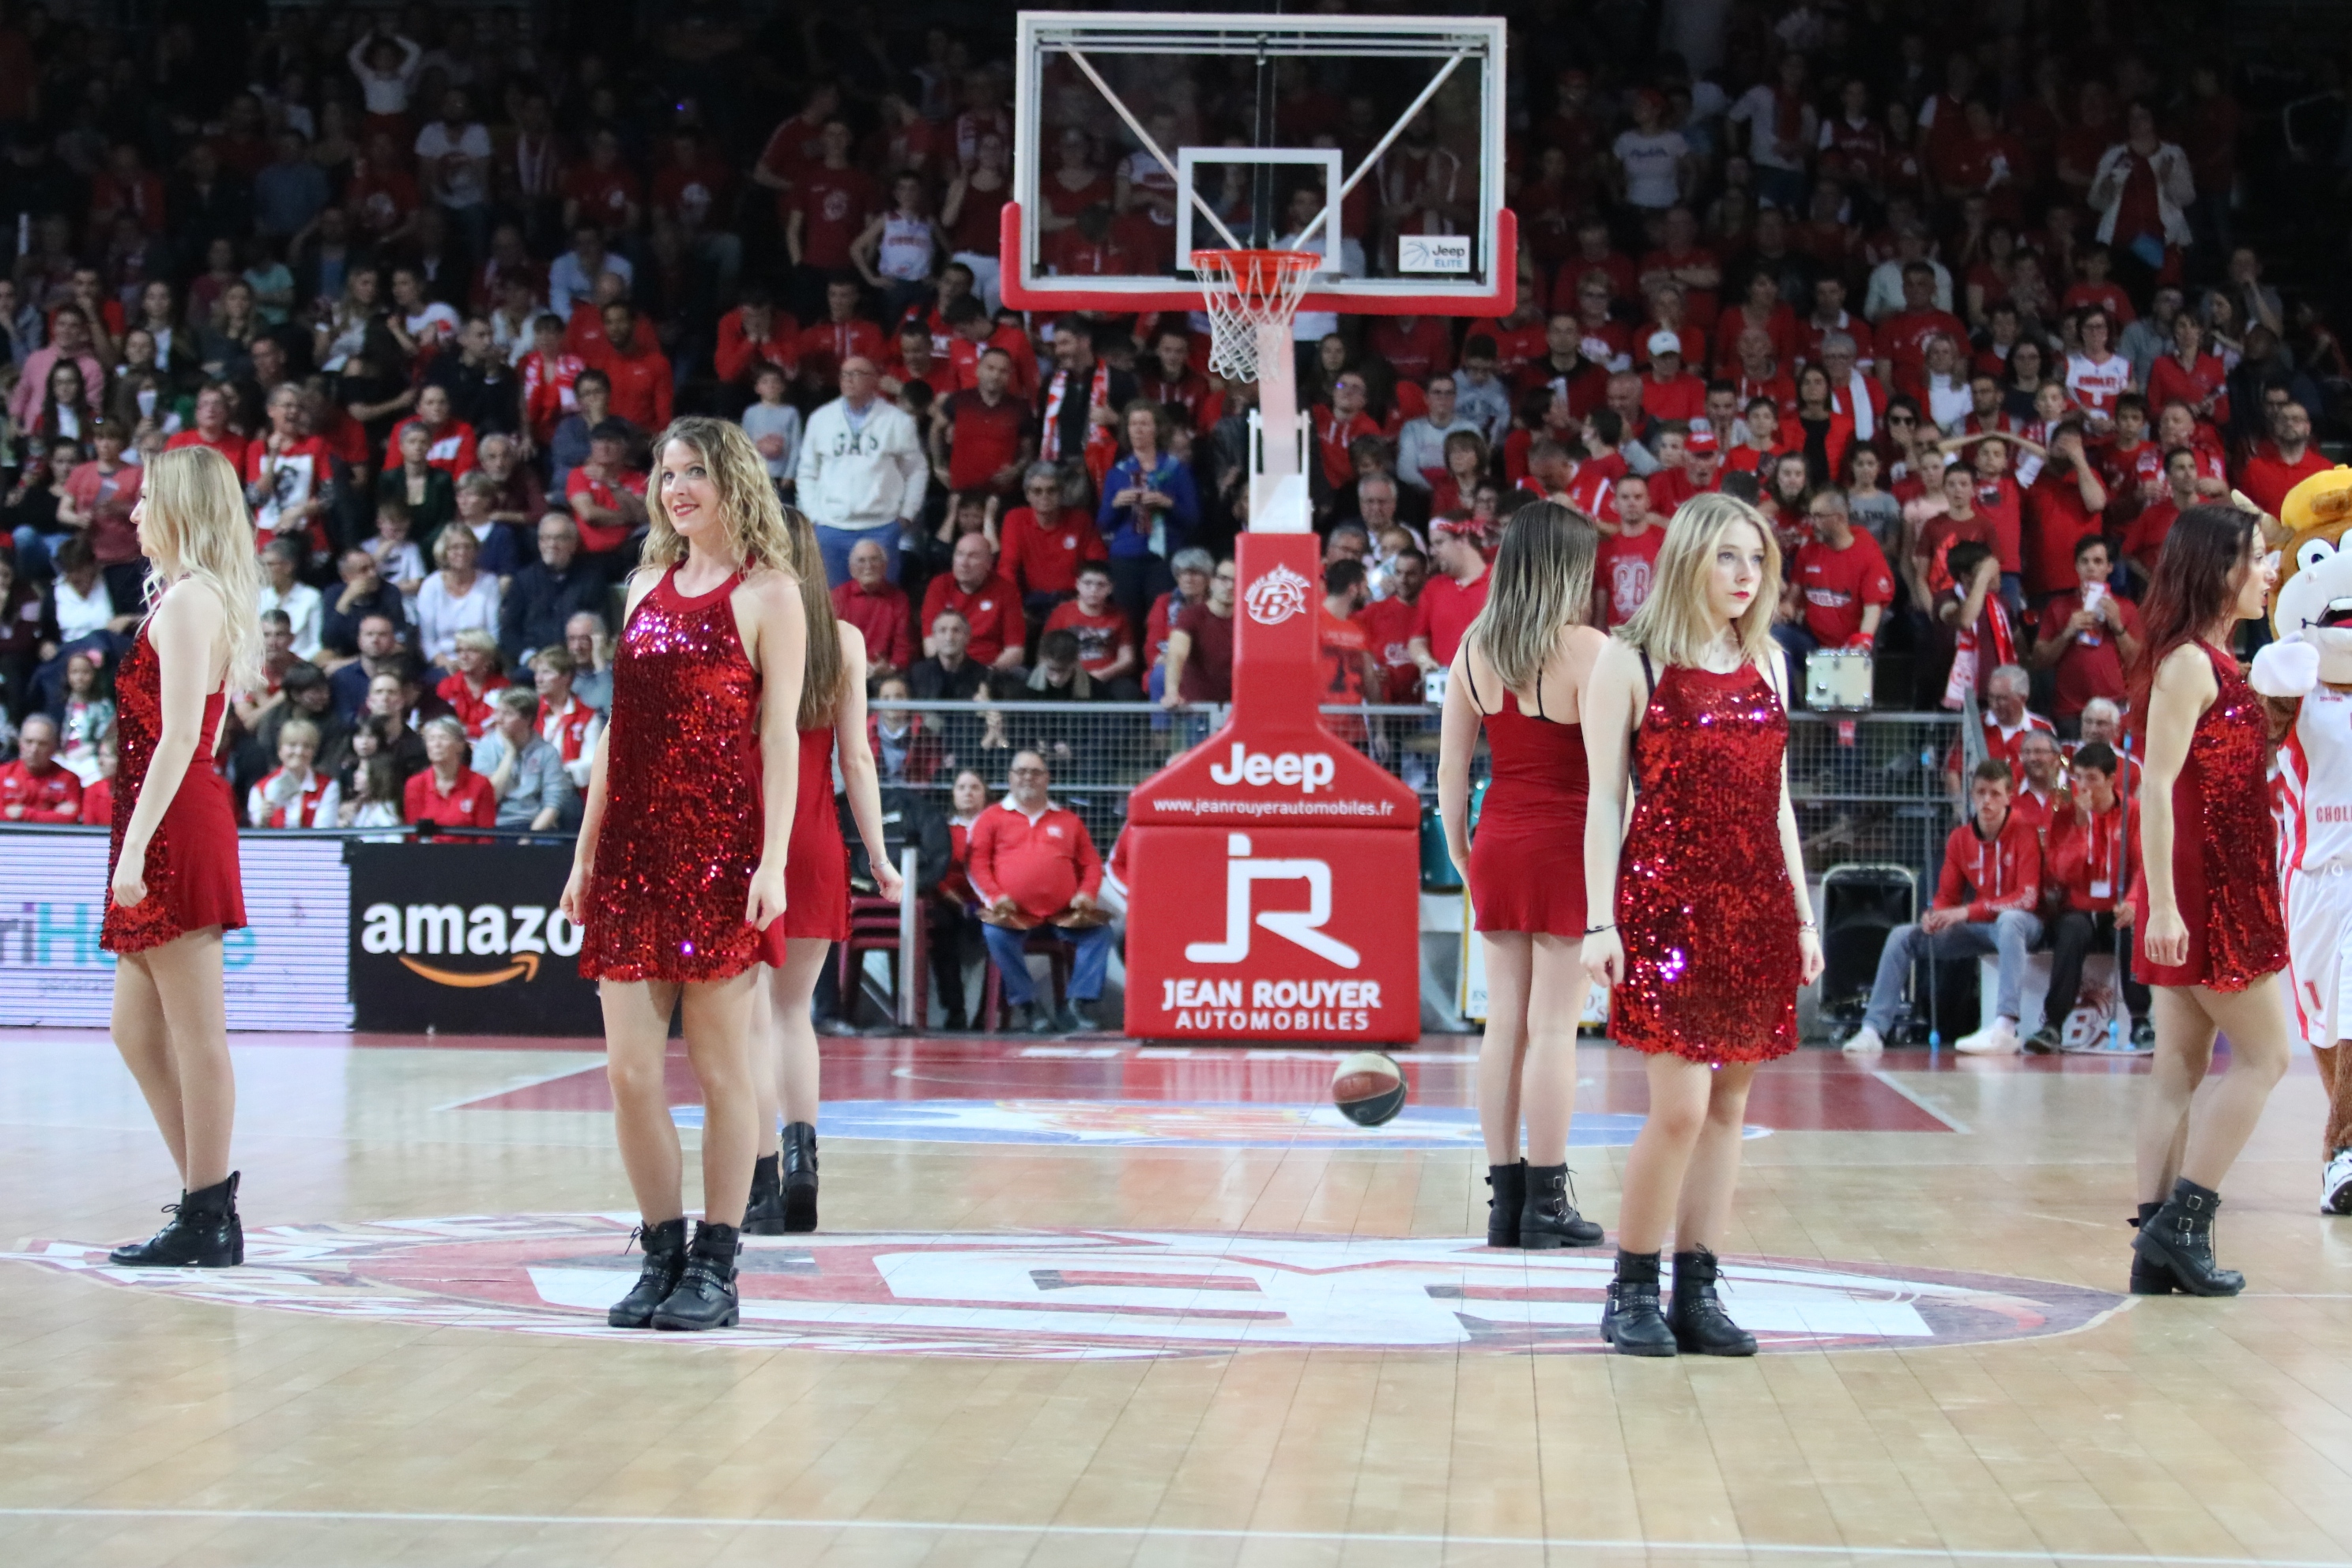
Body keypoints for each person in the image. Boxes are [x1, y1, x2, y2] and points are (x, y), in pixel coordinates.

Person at [560, 416, 809, 1334]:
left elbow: (779, 738)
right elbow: (616, 735)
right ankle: (660, 1251)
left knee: (720, 1071)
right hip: (630, 848)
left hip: (721, 850)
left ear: (733, 480)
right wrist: (586, 852)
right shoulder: (640, 589)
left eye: (696, 470)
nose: (677, 488)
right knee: (629, 1073)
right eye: (667, 473)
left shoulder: (771, 593)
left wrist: (774, 862)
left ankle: (718, 1261)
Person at [1581, 493, 1823, 1356]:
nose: (1745, 575)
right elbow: (1605, 800)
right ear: (1688, 557)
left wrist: (1801, 912)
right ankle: (1630, 1287)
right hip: (1663, 905)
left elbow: (1780, 800)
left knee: (1730, 1106)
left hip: (1755, 902)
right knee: (1678, 1109)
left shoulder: (1770, 660)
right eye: (1727, 556)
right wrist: (1597, 921)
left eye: (1755, 560)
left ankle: (1698, 1289)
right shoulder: (1629, 659)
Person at [98, 447, 263, 1268]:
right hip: (162, 814)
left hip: (171, 823)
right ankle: (203, 1199)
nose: (133, 516)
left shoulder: (192, 602)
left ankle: (208, 1213)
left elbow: (179, 740)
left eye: (145, 502)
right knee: (134, 1030)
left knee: (198, 1035)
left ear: (181, 508)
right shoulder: (186, 599)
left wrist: (133, 846)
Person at [2127, 502, 2290, 1297]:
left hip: (2212, 882)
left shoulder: (2222, 661)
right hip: (2208, 888)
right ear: (2218, 569)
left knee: (2180, 1066)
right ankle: (2183, 1224)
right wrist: (2163, 904)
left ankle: (2153, 1253)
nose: (2271, 570)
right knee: (2267, 1057)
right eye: (2259, 557)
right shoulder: (2189, 663)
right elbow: (2154, 788)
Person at [1436, 502, 1608, 1252]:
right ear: (1569, 568)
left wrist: (1464, 855)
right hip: (1570, 843)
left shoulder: (1473, 649)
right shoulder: (1594, 651)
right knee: (1552, 1032)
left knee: (1501, 1027)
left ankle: (1504, 1205)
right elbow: (1613, 784)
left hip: (1497, 838)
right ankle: (1547, 1200)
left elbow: (1449, 774)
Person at [747, 499, 903, 1235]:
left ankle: (758, 1182)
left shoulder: (740, 628)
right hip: (815, 840)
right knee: (792, 1014)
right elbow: (858, 759)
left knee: (743, 1021)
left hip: (747, 837)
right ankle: (803, 1158)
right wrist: (877, 854)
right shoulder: (842, 639)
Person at [1842, 760, 2045, 1057]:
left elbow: (2027, 898)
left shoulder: (2025, 832)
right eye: (1980, 792)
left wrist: (1965, 912)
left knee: (2011, 920)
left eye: (1994, 793)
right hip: (1979, 927)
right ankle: (1873, 1029)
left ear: (2008, 797)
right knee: (1902, 936)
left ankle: (2005, 1026)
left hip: (2023, 925)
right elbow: (1947, 895)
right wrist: (1935, 915)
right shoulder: (1960, 838)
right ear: (1971, 794)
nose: (1986, 801)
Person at [967, 750, 1112, 1033]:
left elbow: (1092, 864)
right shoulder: (990, 818)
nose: (1027, 778)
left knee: (1100, 934)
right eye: (1021, 772)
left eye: (1035, 773)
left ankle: (1076, 1005)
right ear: (1010, 777)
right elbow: (976, 865)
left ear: (1047, 779)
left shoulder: (1069, 820)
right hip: (1011, 915)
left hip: (1064, 914)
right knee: (994, 934)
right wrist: (995, 897)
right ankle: (1029, 1006)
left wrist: (1086, 894)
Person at [2032, 742, 2151, 1054]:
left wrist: (2135, 902)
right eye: (2078, 777)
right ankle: (2053, 1025)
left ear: (2112, 779)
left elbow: (2144, 866)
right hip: (2080, 909)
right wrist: (2081, 828)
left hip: (2117, 908)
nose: (2082, 787)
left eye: (2092, 779)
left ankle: (2141, 1021)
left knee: (2131, 927)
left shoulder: (2134, 814)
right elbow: (2061, 873)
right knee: (2072, 930)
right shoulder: (2065, 815)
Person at [795, 355, 929, 586]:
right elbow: (807, 471)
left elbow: (917, 470)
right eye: (845, 374)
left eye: (856, 374)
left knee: (881, 603)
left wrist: (907, 514)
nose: (849, 380)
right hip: (831, 527)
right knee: (832, 604)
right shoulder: (821, 419)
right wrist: (813, 516)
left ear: (874, 380)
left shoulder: (898, 420)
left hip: (882, 526)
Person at [472, 685, 571, 832]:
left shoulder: (547, 752)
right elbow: (489, 798)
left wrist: (530, 837)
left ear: (527, 719)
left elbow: (553, 803)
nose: (498, 719)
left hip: (535, 825)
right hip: (495, 825)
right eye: (497, 711)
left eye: (507, 714)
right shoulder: (484, 748)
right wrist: (509, 754)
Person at [246, 715, 338, 828]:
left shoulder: (329, 787)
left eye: (307, 746)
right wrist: (263, 819)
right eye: (292, 745)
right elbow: (258, 835)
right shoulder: (260, 789)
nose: (299, 751)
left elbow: (324, 831)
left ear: (314, 752)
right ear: (280, 750)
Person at [1, 713, 83, 820]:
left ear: (54, 747)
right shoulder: (2, 774)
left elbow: (72, 818)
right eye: (29, 742)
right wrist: (52, 814)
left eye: (42, 744)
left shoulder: (69, 780)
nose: (34, 749)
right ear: (20, 743)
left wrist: (23, 813)